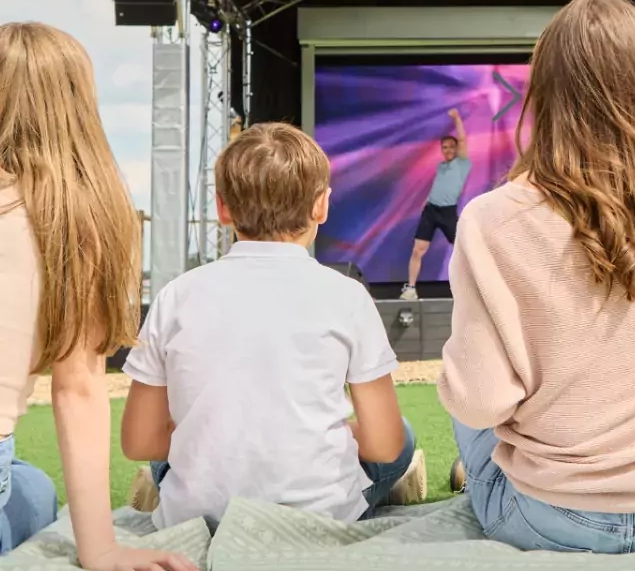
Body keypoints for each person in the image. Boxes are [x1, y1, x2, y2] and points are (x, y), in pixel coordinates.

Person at [438, 0, 635, 553]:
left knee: (466, 388)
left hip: (553, 520)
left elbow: (480, 403)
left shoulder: (490, 219)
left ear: (544, 91)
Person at [121, 122, 427, 530]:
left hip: (199, 515)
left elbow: (139, 440)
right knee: (402, 435)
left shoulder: (176, 296)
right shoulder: (348, 297)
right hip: (318, 515)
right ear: (322, 206)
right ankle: (386, 491)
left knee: (175, 448)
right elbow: (384, 444)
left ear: (222, 207)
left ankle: (163, 485)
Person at [0, 22, 196, 571]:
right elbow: (78, 387)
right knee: (34, 495)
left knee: (32, 488)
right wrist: (100, 549)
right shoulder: (76, 217)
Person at [400, 109, 471, 302]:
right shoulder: (441, 166)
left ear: (457, 149)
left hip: (448, 213)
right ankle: (411, 289)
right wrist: (426, 201)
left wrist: (456, 118)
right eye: (444, 148)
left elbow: (463, 140)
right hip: (431, 210)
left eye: (451, 147)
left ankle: (471, 289)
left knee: (463, 250)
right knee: (418, 250)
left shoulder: (463, 163)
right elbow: (439, 185)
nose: (447, 150)